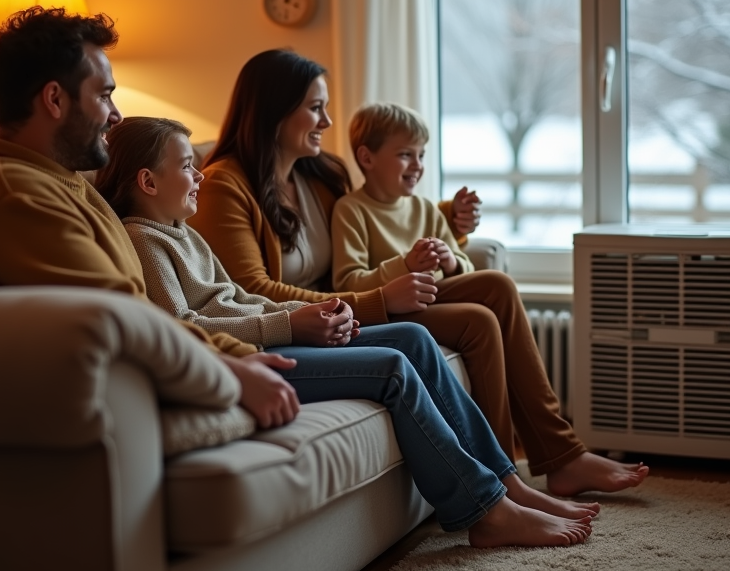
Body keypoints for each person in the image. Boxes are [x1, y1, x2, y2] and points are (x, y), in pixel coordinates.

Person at [94, 115, 596, 547]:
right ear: (148, 182)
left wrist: (318, 314)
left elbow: (243, 297)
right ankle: (486, 512)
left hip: (267, 333)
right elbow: (186, 327)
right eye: (186, 166)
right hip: (244, 357)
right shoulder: (144, 240)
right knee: (394, 367)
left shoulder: (183, 232)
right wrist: (288, 323)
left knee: (415, 339)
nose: (199, 174)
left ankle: (507, 480)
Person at [188, 49, 647, 497]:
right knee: (479, 320)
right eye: (315, 108)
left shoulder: (319, 175)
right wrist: (382, 300)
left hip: (346, 304)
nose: (327, 122)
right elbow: (254, 291)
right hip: (318, 320)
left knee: (497, 287)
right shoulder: (225, 186)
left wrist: (448, 221)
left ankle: (561, 455)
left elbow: (383, 206)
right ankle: (505, 471)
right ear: (274, 111)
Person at [0, 6, 301, 431]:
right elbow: (121, 315)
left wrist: (238, 353)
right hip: (134, 382)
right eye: (104, 95)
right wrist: (235, 368)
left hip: (190, 356)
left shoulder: (64, 182)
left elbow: (143, 310)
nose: (115, 115)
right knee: (387, 362)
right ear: (55, 100)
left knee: (397, 343)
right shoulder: (16, 196)